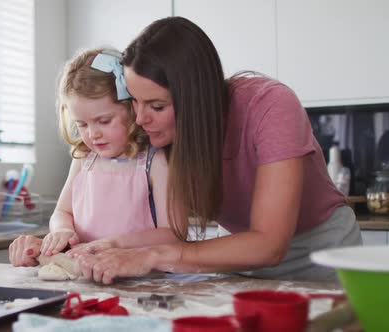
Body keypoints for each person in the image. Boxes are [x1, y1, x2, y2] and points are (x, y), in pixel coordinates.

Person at [71, 17, 362, 284]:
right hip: (233, 253)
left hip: (319, 254)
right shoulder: (160, 132)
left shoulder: (271, 106)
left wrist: (154, 255)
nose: (141, 117)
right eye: (134, 101)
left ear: (195, 100)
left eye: (157, 106)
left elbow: (269, 245)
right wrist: (110, 245)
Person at [8, 48, 178, 267]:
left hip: (141, 280)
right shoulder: (84, 159)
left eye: (104, 121)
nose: (92, 134)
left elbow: (172, 234)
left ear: (131, 109)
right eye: (82, 124)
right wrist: (63, 230)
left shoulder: (154, 161)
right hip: (88, 277)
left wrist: (114, 244)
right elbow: (62, 211)